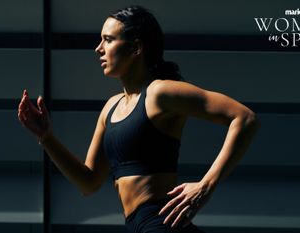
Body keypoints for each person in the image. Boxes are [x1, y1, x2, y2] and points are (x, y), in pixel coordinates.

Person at [18, 5, 260, 233]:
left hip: (161, 222)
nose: (98, 48)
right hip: (136, 225)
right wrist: (46, 138)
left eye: (108, 40)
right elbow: (88, 182)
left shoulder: (161, 92)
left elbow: (245, 118)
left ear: (136, 48)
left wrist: (206, 186)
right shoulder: (110, 108)